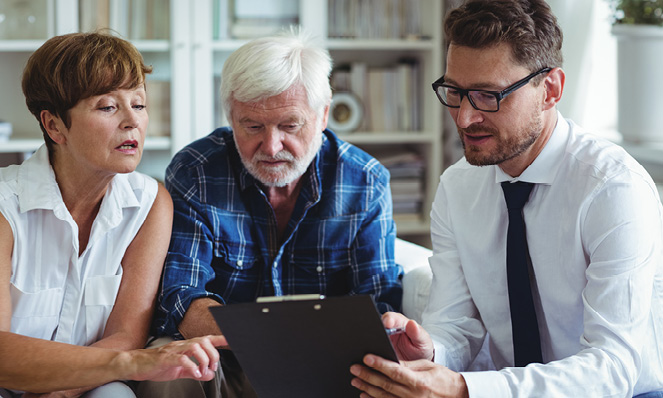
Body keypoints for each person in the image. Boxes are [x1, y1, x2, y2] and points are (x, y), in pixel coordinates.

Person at [349, 0, 663, 397]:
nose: (464, 118)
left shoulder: (613, 190)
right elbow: (455, 324)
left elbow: (613, 367)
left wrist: (464, 389)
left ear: (550, 89)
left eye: (487, 96)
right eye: (455, 92)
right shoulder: (457, 187)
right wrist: (432, 350)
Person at [136, 28, 402, 398]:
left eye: (290, 126)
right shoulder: (197, 171)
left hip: (329, 363)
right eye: (253, 126)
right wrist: (255, 340)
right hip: (223, 357)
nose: (272, 145)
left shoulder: (365, 181)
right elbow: (181, 292)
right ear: (231, 119)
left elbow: (378, 300)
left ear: (323, 116)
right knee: (171, 372)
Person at [0, 32, 224, 398]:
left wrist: (63, 391)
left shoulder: (150, 203)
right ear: (55, 126)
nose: (131, 121)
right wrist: (131, 363)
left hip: (92, 383)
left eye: (138, 104)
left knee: (114, 395)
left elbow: (126, 334)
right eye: (108, 107)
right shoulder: (5, 206)